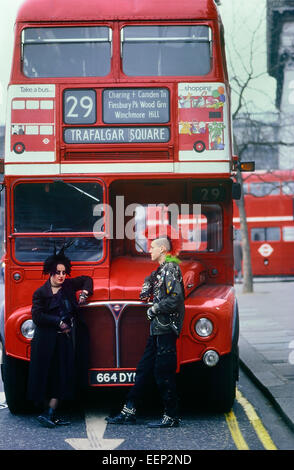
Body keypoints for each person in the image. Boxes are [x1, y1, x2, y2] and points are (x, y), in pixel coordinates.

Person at [106, 237, 185, 428]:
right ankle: (129, 411)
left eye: (152, 247)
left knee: (163, 372)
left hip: (166, 328)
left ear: (163, 249)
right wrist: (147, 284)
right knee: (143, 369)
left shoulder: (171, 268)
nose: (149, 250)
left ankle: (171, 416)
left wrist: (154, 309)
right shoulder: (161, 270)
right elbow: (153, 279)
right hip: (157, 329)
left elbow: (176, 299)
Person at [27, 245, 93, 428]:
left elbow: (87, 279)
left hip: (63, 341)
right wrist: (58, 322)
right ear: (50, 272)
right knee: (46, 376)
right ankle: (47, 412)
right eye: (58, 272)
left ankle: (50, 412)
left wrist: (85, 293)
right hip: (46, 341)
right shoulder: (40, 293)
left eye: (64, 272)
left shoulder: (69, 286)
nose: (61, 276)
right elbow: (37, 316)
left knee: (62, 376)